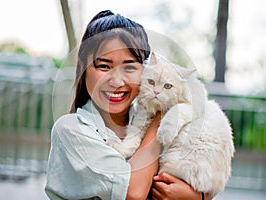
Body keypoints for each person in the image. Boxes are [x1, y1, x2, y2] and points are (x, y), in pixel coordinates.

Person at [45, 10, 210, 200]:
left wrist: (199, 196)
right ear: (83, 67)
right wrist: (160, 120)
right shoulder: (71, 130)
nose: (116, 81)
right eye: (104, 66)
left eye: (130, 67)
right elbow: (133, 193)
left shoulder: (147, 119)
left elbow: (199, 180)